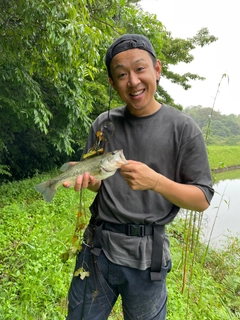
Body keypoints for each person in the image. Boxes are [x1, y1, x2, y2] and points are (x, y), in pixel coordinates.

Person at [64, 34, 214, 320]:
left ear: (157, 69)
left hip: (148, 261)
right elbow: (99, 182)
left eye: (140, 69)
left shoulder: (183, 129)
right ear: (112, 82)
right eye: (121, 74)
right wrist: (93, 183)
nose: (132, 81)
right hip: (97, 249)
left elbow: (202, 198)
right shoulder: (103, 124)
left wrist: (156, 182)